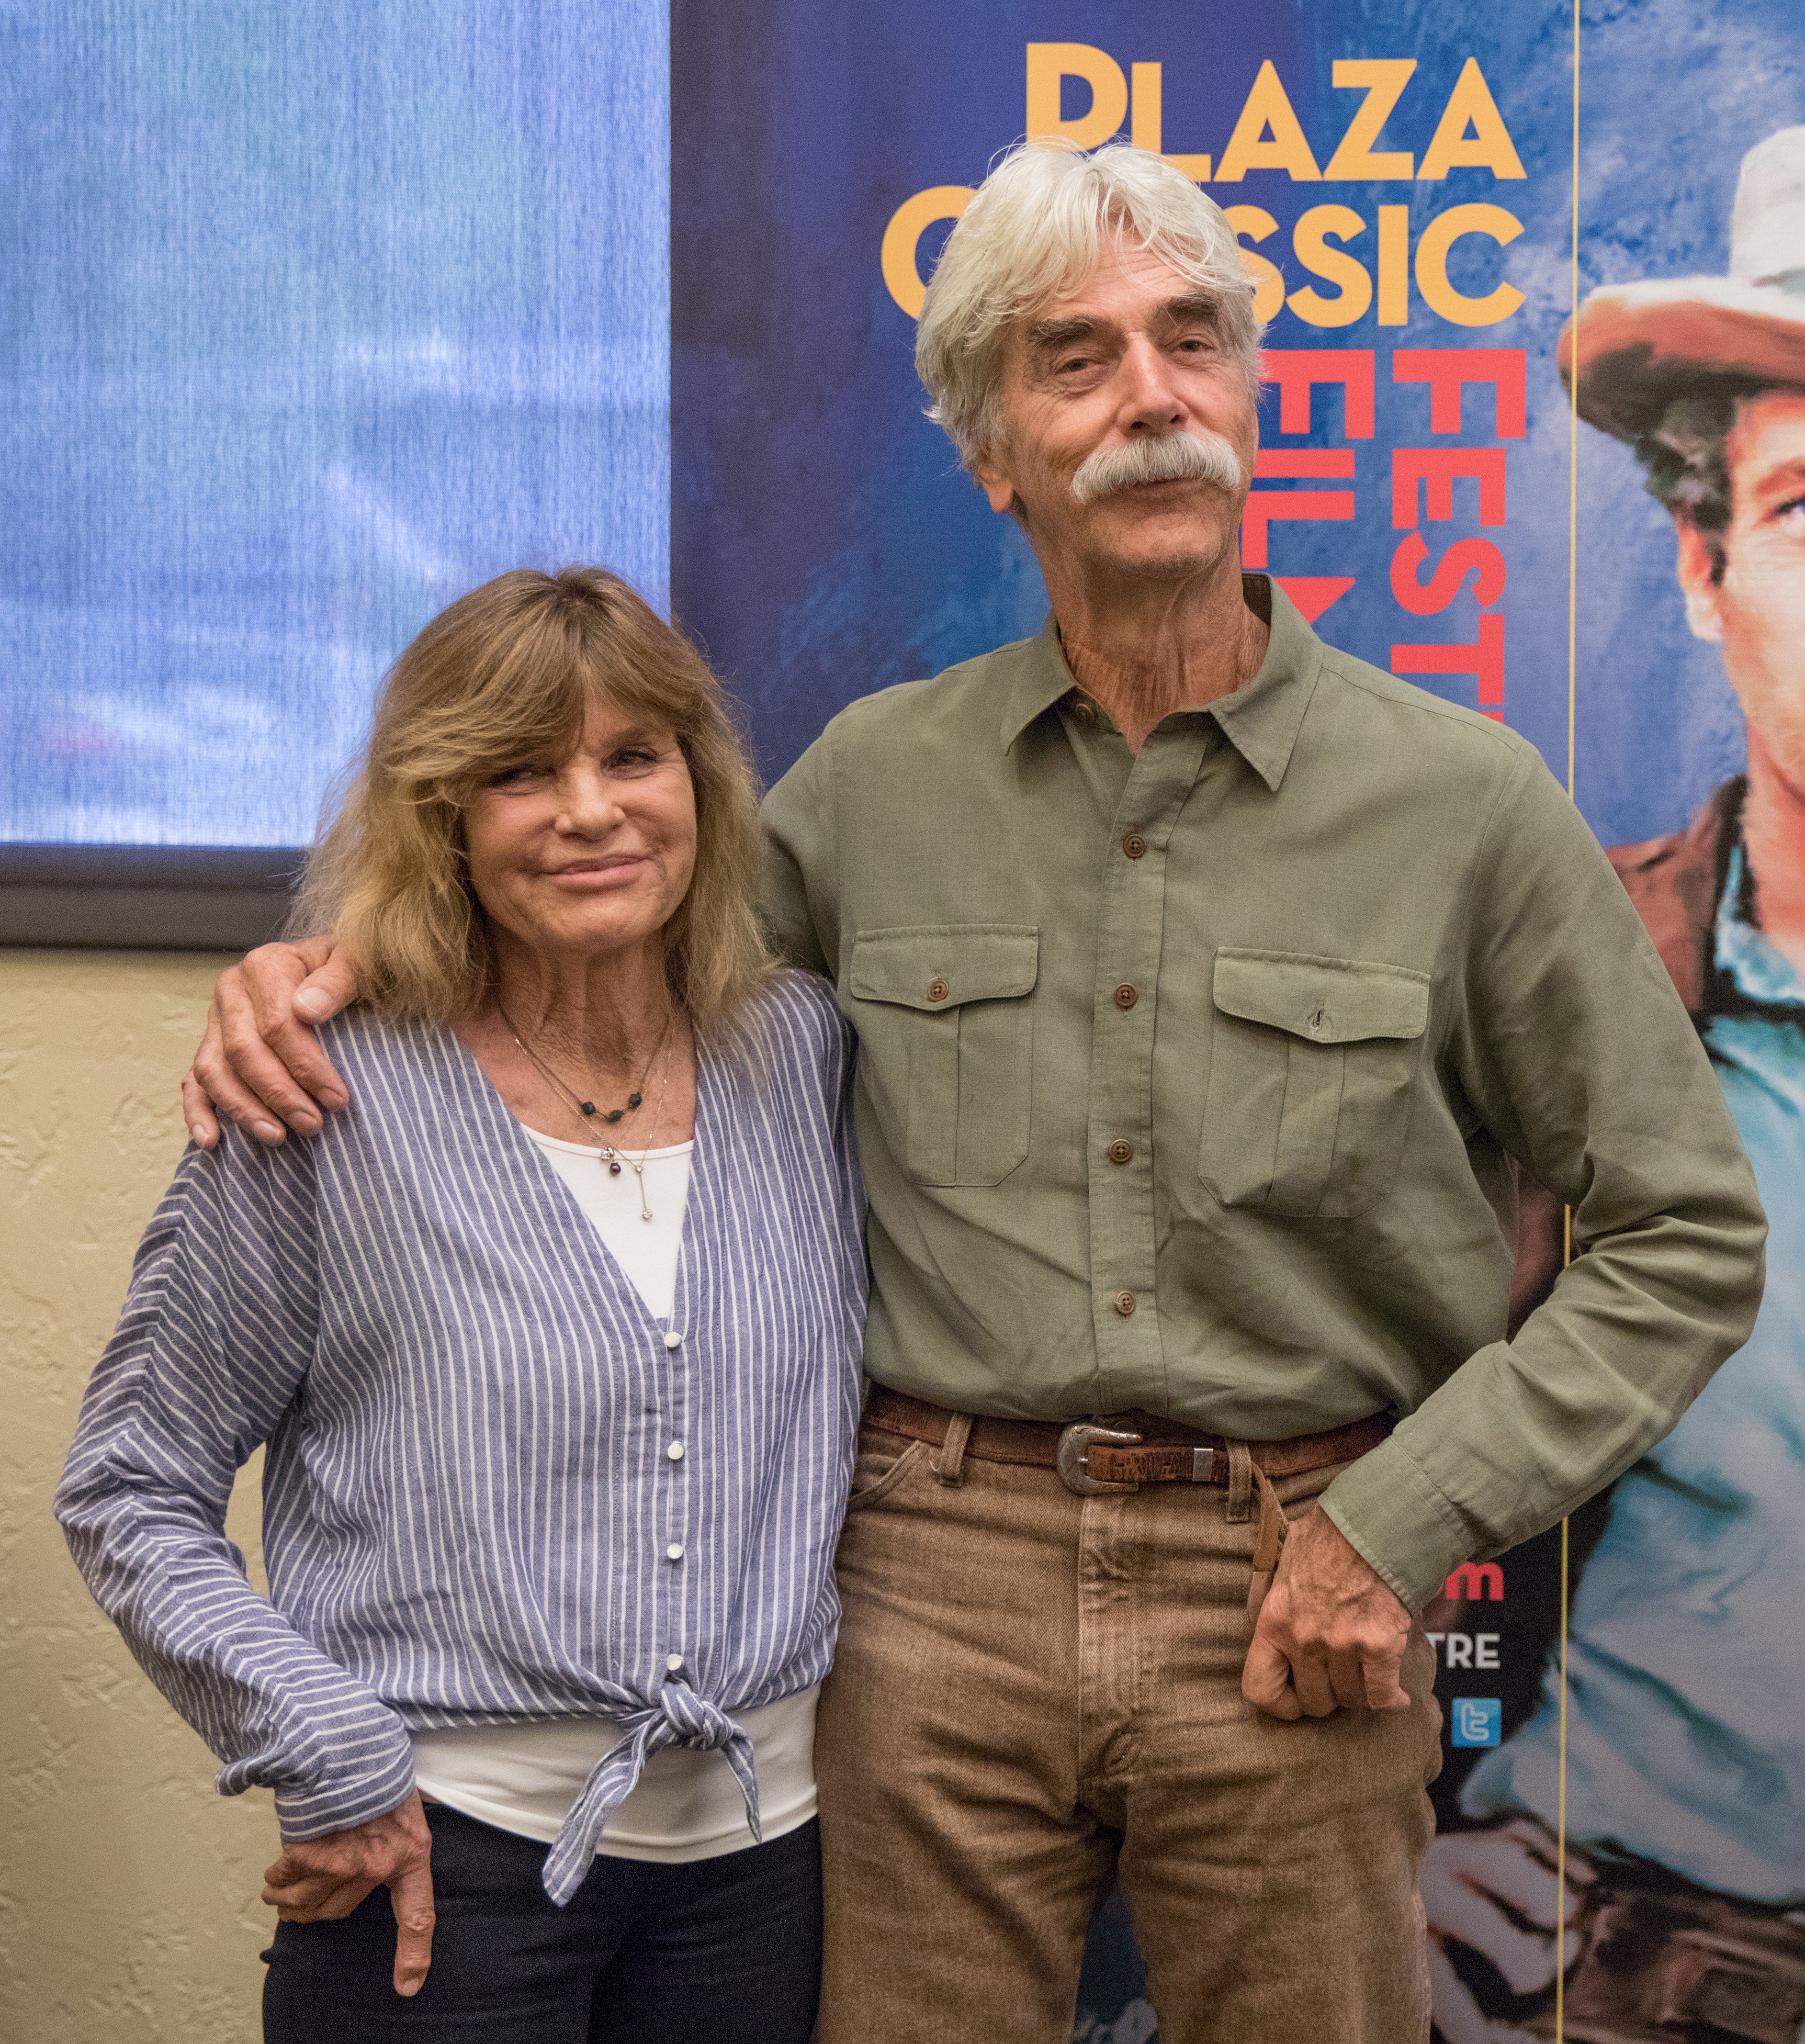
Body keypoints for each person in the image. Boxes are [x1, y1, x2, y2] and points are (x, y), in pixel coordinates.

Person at [178, 144, 1767, 2044]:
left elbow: (1684, 1232)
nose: (1149, 396)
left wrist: (1407, 1520)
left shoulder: (1468, 805)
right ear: (988, 447)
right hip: (928, 1585)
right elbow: (579, 954)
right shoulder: (870, 787)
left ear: (1252, 395)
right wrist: (327, 971)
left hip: (1306, 1580)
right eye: (1072, 358)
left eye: (1190, 342)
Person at [57, 567, 866, 2044]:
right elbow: (129, 1486)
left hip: (760, 1878)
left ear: (700, 780)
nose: (589, 810)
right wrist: (323, 1744)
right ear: (444, 819)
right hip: (444, 1870)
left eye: (633, 755)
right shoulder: (325, 1096)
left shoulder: (802, 1059)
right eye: (518, 772)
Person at [1423, 127, 1805, 2044]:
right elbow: (1435, 1474)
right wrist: (1432, 1795)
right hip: (1620, 1964)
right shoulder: (1569, 998)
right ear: (1699, 563)